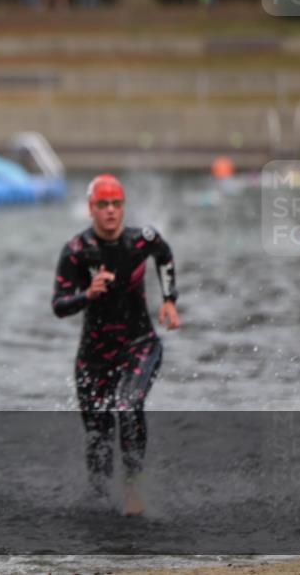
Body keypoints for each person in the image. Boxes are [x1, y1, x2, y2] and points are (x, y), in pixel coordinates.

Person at [51, 174, 180, 516]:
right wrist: (87, 293)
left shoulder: (141, 241)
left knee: (128, 403)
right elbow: (59, 305)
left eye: (116, 204)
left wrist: (169, 300)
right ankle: (101, 507)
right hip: (93, 358)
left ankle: (134, 487)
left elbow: (164, 255)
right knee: (98, 440)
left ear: (123, 207)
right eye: (103, 205)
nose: (110, 211)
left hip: (140, 344)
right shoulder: (78, 251)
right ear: (91, 209)